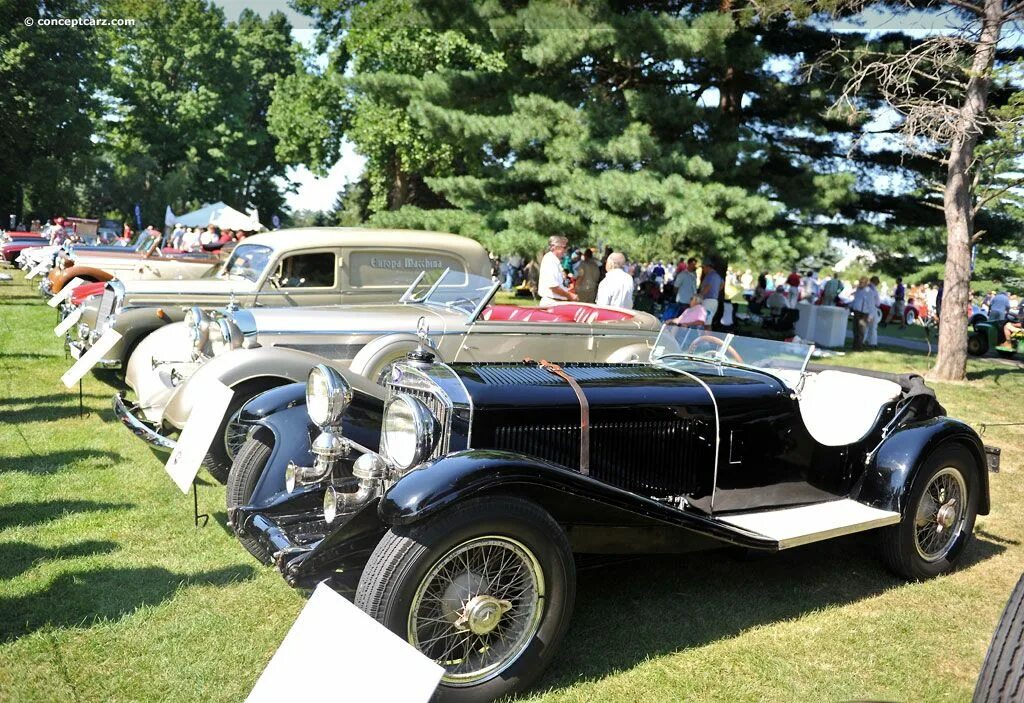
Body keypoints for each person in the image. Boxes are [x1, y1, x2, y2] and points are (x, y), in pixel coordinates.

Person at [538, 235, 576, 306]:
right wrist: (570, 296)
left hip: (556, 303)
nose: (565, 250)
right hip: (552, 303)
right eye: (564, 247)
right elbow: (553, 287)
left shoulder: (554, 260)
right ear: (554, 247)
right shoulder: (550, 260)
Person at [850, 276, 873, 351]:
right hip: (856, 312)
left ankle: (859, 347)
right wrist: (850, 305)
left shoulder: (869, 291)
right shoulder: (858, 290)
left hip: (864, 313)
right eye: (860, 282)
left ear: (866, 283)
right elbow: (855, 300)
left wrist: (870, 316)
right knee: (855, 329)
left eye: (862, 282)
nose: (860, 284)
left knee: (861, 331)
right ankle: (854, 346)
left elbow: (871, 304)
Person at [698, 257, 723, 323]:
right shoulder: (717, 275)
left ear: (707, 267)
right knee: (708, 323)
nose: (703, 269)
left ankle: (705, 334)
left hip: (707, 301)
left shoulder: (710, 275)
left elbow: (708, 287)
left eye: (703, 267)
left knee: (702, 322)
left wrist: (698, 297)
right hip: (714, 301)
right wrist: (716, 291)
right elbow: (722, 284)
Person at [866, 276, 882, 347]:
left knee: (871, 326)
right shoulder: (870, 288)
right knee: (871, 326)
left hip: (873, 308)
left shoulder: (872, 288)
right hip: (871, 308)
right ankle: (872, 342)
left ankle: (871, 342)